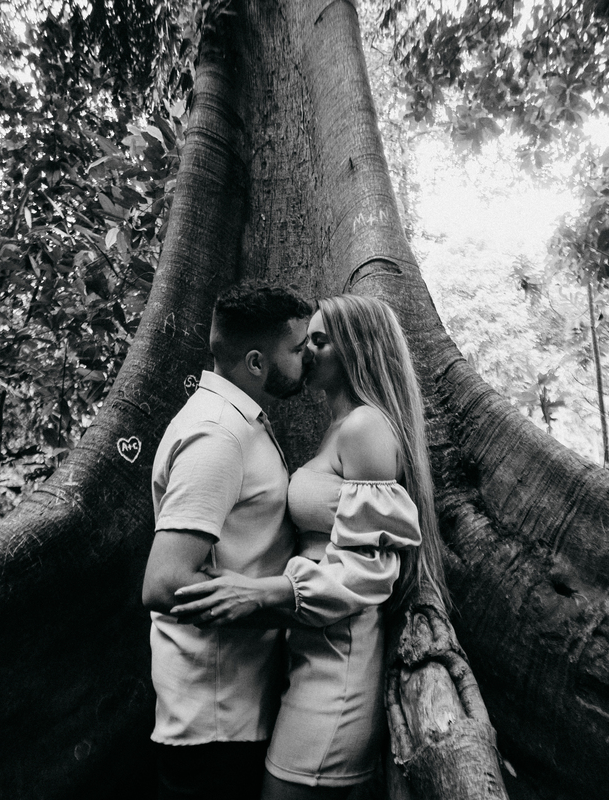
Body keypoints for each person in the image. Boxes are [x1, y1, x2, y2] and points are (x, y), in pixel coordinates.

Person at [171, 294, 449, 799]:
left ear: (358, 350)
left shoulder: (364, 427)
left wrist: (265, 592)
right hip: (308, 652)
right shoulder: (338, 428)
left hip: (339, 666)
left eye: (319, 341)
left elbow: (370, 572)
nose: (307, 353)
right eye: (305, 342)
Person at [141, 283, 314, 800]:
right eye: (298, 349)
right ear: (257, 362)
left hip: (238, 711)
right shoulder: (217, 435)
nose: (308, 357)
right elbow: (164, 582)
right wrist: (288, 607)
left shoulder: (239, 421)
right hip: (213, 726)